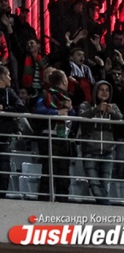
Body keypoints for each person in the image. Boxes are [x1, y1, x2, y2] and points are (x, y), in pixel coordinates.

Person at [34, 69, 76, 202]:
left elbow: (73, 117)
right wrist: (57, 112)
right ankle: (44, 203)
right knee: (49, 173)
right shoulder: (45, 95)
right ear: (64, 81)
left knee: (64, 175)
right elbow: (38, 110)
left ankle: (62, 203)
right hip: (50, 138)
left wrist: (70, 109)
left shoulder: (67, 98)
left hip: (64, 139)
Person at [78, 80, 123, 204]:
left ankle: (105, 207)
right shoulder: (86, 105)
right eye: (101, 89)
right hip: (90, 151)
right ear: (95, 91)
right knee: (95, 186)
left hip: (108, 152)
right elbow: (81, 116)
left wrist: (112, 112)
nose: (104, 92)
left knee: (105, 187)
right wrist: (96, 109)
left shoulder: (113, 107)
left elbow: (121, 119)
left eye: (107, 90)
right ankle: (107, 206)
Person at [0, 65, 26, 194]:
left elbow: (20, 107)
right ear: (2, 77)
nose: (10, 78)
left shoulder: (9, 92)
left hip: (4, 141)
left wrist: (4, 109)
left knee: (4, 172)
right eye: (8, 75)